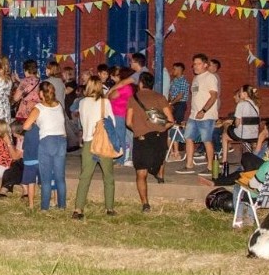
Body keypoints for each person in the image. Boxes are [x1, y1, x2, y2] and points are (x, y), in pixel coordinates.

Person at [127, 71, 174, 212]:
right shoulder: (160, 97)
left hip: (141, 139)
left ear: (140, 83)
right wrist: (160, 129)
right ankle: (160, 174)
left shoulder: (133, 98)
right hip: (158, 138)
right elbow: (170, 121)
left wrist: (138, 129)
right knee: (159, 158)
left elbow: (128, 122)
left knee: (141, 174)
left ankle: (145, 204)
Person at [72, 75, 117, 219]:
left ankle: (78, 209)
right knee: (108, 177)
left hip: (88, 142)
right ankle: (109, 208)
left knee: (85, 177)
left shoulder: (82, 102)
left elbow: (82, 122)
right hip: (102, 142)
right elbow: (112, 123)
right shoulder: (105, 102)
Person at [23, 80, 67, 211]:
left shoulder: (39, 108)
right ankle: (62, 206)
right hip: (61, 141)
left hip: (47, 141)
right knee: (60, 177)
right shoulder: (58, 105)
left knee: (46, 177)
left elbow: (26, 126)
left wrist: (37, 123)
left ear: (41, 93)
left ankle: (44, 207)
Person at [176, 53, 219, 176]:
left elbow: (214, 96)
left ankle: (210, 167)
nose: (195, 66)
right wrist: (193, 113)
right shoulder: (196, 79)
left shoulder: (210, 77)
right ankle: (189, 164)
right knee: (188, 138)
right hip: (193, 115)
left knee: (206, 140)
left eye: (198, 64)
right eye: (194, 64)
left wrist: (204, 111)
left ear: (205, 65)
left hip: (206, 115)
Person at [221, 85, 261, 165]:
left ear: (245, 94)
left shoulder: (241, 104)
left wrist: (230, 126)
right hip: (254, 135)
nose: (240, 93)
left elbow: (237, 123)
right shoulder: (256, 105)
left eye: (241, 92)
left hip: (243, 135)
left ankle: (224, 160)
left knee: (225, 135)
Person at [167, 62, 190, 160]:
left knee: (176, 126)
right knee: (170, 125)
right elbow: (171, 93)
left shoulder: (184, 81)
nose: (173, 71)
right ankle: (172, 151)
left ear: (180, 70)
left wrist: (171, 103)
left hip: (180, 104)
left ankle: (177, 151)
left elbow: (180, 95)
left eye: (175, 69)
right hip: (173, 104)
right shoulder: (173, 81)